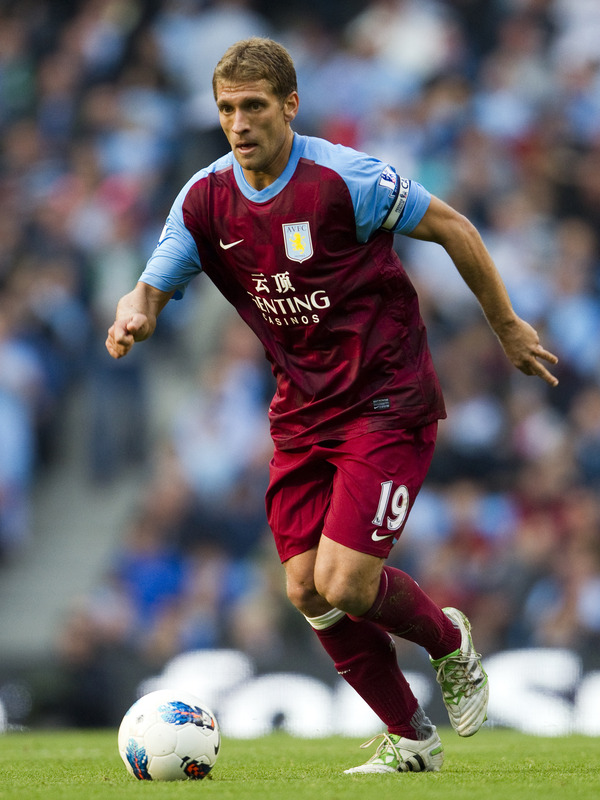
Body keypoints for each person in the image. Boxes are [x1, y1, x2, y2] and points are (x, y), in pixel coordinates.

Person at [106, 37, 559, 774]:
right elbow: (149, 283)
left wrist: (505, 324)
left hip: (387, 395)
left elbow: (453, 226)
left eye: (254, 106)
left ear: (290, 105)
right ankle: (412, 738)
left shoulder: (344, 179)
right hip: (303, 410)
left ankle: (450, 644)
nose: (239, 123)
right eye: (227, 109)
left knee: (345, 582)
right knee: (305, 590)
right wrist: (137, 312)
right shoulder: (205, 199)